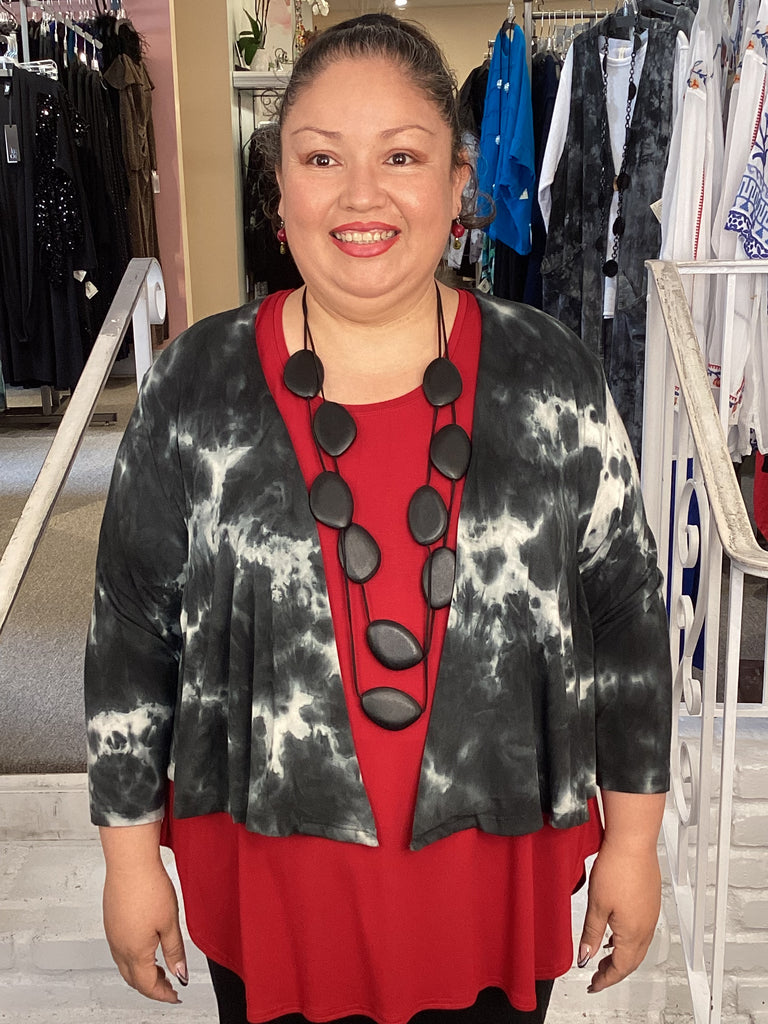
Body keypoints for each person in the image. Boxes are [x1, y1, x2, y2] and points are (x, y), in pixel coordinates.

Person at [84, 15, 673, 1024]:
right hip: (276, 881)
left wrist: (634, 841)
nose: (362, 195)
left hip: (488, 876)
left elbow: (626, 616)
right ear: (280, 189)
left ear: (459, 185)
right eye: (322, 158)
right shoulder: (195, 383)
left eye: (401, 156)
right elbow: (130, 636)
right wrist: (130, 860)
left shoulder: (551, 374)